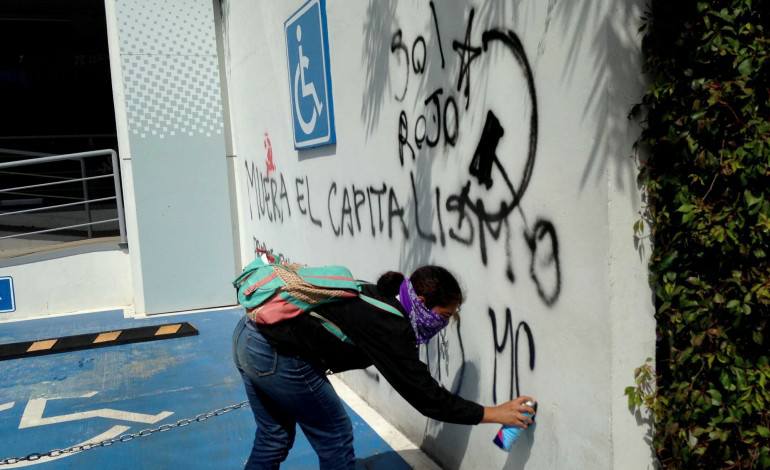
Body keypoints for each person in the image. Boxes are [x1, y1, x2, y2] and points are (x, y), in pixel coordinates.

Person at [232, 265, 536, 469]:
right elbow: (426, 397)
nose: (444, 324)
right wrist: (494, 413)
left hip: (248, 334)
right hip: (275, 354)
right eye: (445, 315)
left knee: (274, 436)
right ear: (421, 301)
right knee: (336, 436)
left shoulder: (382, 299)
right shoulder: (391, 326)